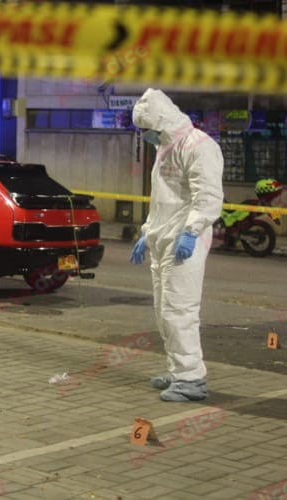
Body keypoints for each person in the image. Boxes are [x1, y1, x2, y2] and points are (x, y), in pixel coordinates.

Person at [130, 88, 224, 402]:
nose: (146, 137)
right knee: (164, 312)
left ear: (164, 123)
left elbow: (207, 196)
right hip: (163, 237)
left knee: (180, 311)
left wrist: (192, 230)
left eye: (149, 131)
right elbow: (163, 199)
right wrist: (148, 232)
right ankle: (177, 370)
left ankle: (191, 379)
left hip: (185, 241)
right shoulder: (166, 147)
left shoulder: (198, 146)